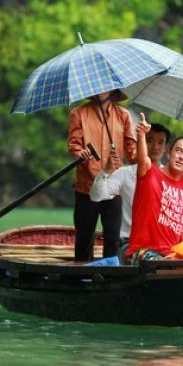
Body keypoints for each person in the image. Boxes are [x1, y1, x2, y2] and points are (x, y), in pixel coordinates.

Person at [68, 89, 135, 261]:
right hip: (86, 186)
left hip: (114, 187)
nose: (101, 89)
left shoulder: (123, 115)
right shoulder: (78, 113)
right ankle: (82, 278)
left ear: (113, 89)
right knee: (84, 238)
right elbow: (74, 145)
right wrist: (80, 153)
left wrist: (143, 143)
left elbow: (132, 151)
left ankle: (110, 278)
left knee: (113, 238)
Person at [89, 123, 171, 262]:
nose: (155, 147)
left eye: (160, 142)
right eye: (149, 141)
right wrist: (107, 170)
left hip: (161, 244)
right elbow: (96, 196)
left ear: (166, 148)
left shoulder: (170, 179)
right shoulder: (125, 173)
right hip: (130, 243)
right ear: (141, 143)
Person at [126, 113, 183, 261]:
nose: (181, 157)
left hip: (174, 254)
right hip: (144, 252)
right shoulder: (150, 172)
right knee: (165, 265)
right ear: (168, 153)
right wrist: (140, 135)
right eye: (178, 151)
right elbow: (142, 158)